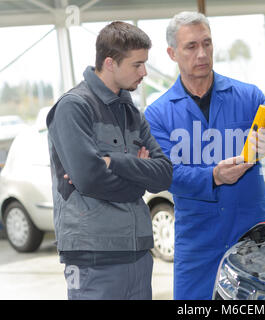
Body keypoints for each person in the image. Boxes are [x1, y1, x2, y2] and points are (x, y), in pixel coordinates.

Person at [144, 11, 265, 300]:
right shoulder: (158, 114)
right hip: (197, 244)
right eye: (191, 46)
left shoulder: (248, 97)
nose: (202, 53)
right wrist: (212, 176)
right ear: (172, 53)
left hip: (251, 237)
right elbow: (166, 174)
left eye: (207, 43)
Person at [46, 21, 173, 300]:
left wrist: (114, 162)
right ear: (110, 63)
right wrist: (140, 181)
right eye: (137, 65)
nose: (144, 72)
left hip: (138, 252)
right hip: (94, 256)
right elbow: (90, 178)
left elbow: (164, 173)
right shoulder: (73, 107)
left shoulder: (132, 113)